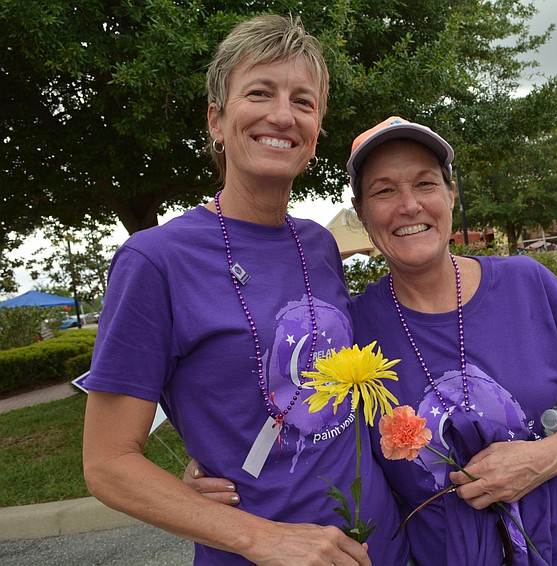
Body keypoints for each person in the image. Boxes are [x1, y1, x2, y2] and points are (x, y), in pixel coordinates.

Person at [192, 116, 557, 565]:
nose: (409, 205)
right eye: (384, 191)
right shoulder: (352, 331)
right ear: (362, 214)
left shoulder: (529, 284)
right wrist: (214, 469)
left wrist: (545, 456)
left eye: (425, 184)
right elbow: (293, 417)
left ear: (450, 194)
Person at [82, 16, 408, 566]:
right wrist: (259, 537)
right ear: (216, 120)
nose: (283, 114)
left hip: (385, 546)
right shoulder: (154, 260)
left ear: (315, 131)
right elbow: (109, 463)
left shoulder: (319, 245)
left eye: (303, 102)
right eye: (260, 92)